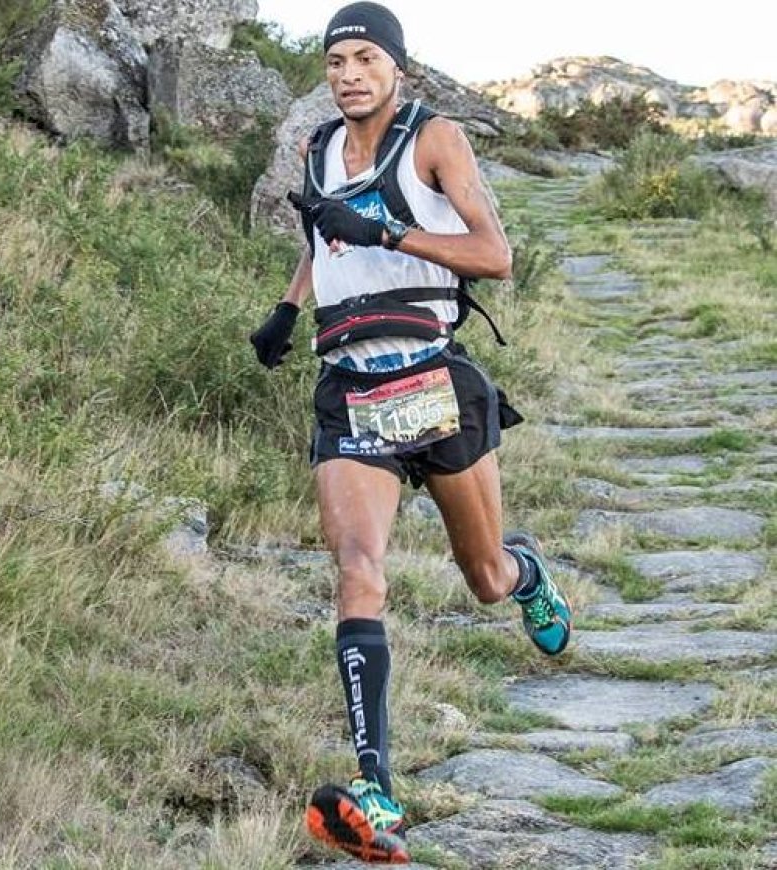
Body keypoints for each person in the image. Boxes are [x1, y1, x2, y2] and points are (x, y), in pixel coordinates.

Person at [249, 2, 572, 863]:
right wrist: (287, 309)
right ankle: (377, 792)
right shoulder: (319, 147)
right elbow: (326, 240)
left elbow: (495, 254)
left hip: (434, 380)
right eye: (334, 62)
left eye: (363, 58)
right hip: (349, 390)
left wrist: (388, 227)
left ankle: (525, 568)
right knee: (358, 571)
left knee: (484, 577)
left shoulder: (436, 141)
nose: (348, 74)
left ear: (397, 65)